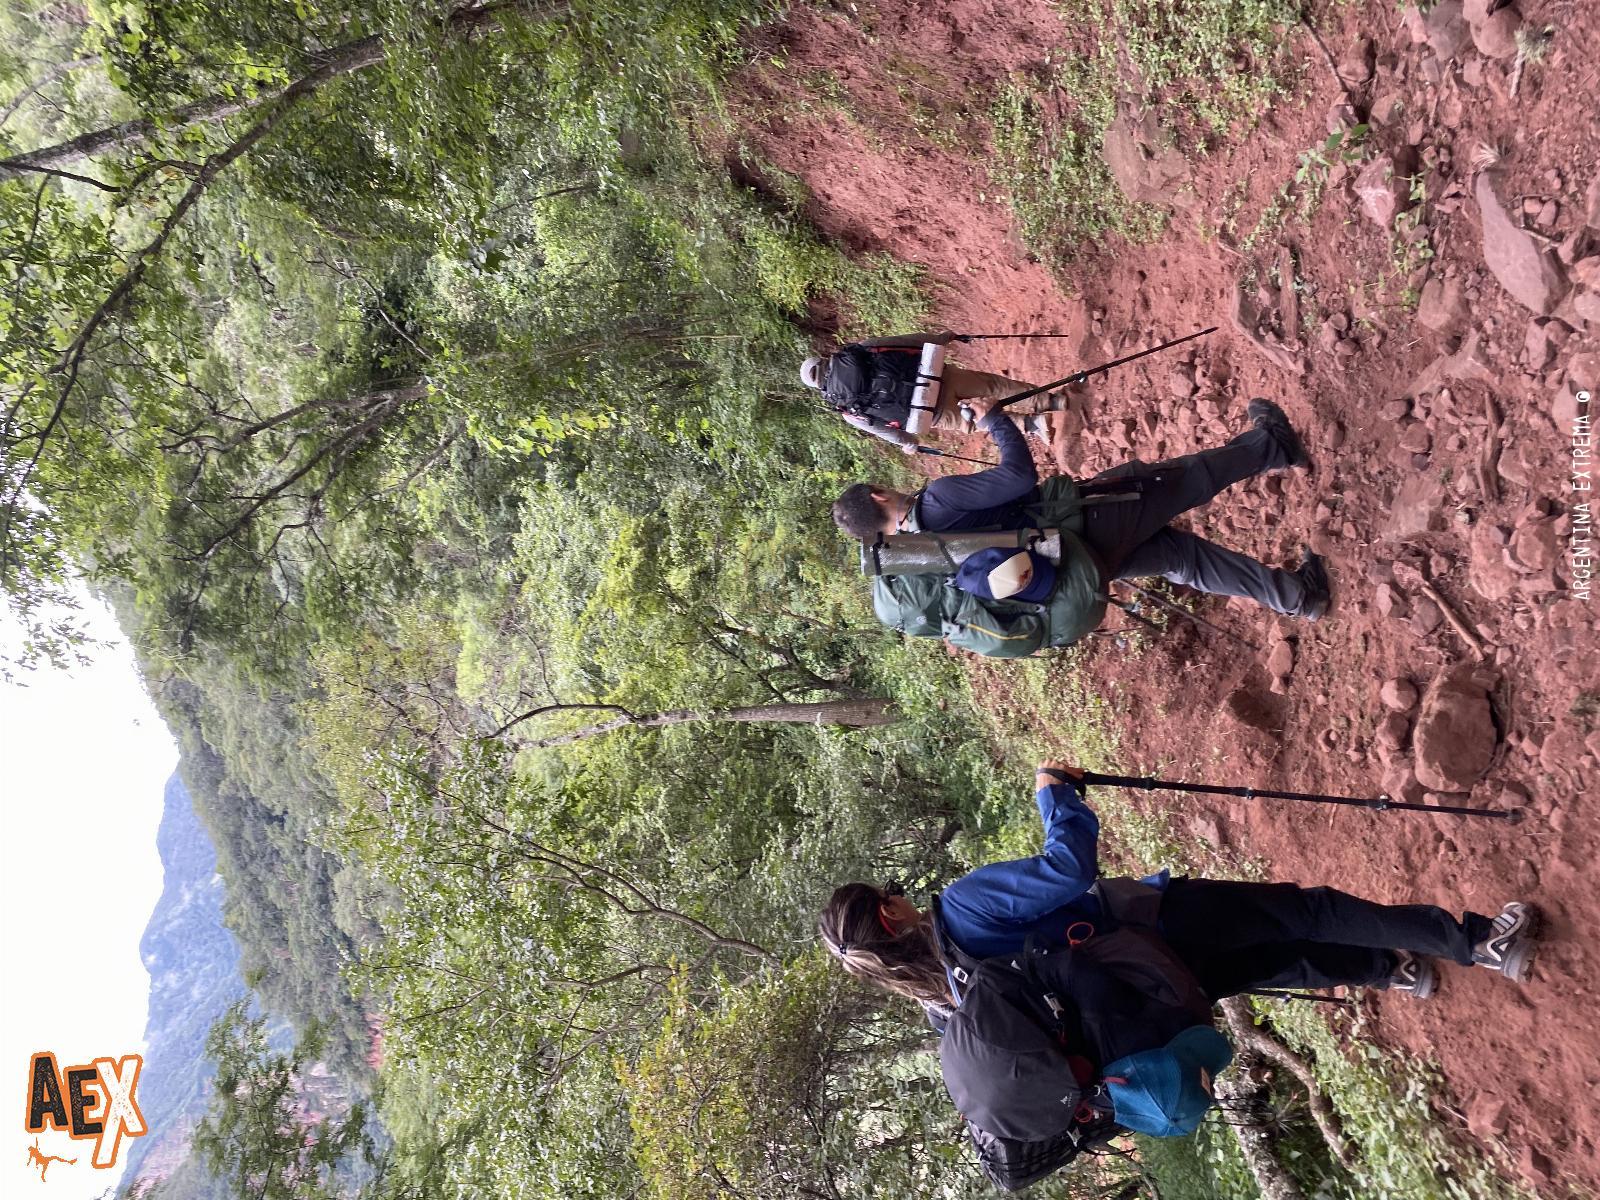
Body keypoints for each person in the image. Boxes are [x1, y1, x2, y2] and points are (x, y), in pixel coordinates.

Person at [818, 761, 1540, 1022]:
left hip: (1153, 991)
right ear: (890, 915)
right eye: (893, 895)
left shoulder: (948, 1005)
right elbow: (1067, 871)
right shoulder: (963, 908)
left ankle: (1394, 969)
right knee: (1301, 910)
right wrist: (1054, 798)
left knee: (1277, 962)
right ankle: (1480, 943)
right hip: (1151, 923)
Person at [831, 392, 1332, 621]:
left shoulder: (920, 557)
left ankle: (1299, 597)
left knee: (1187, 562)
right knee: (1181, 479)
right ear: (879, 497)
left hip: (1075, 566)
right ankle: (1274, 445)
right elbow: (1017, 477)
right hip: (1083, 522)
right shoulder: (936, 503)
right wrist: (995, 421)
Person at [801, 330, 1064, 451]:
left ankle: (1034, 423)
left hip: (928, 411)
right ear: (824, 360)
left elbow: (883, 430)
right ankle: (1051, 400)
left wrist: (910, 444)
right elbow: (904, 343)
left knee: (978, 421)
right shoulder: (860, 350)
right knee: (994, 386)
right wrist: (942, 338)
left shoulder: (846, 409)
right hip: (937, 377)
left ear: (818, 386)